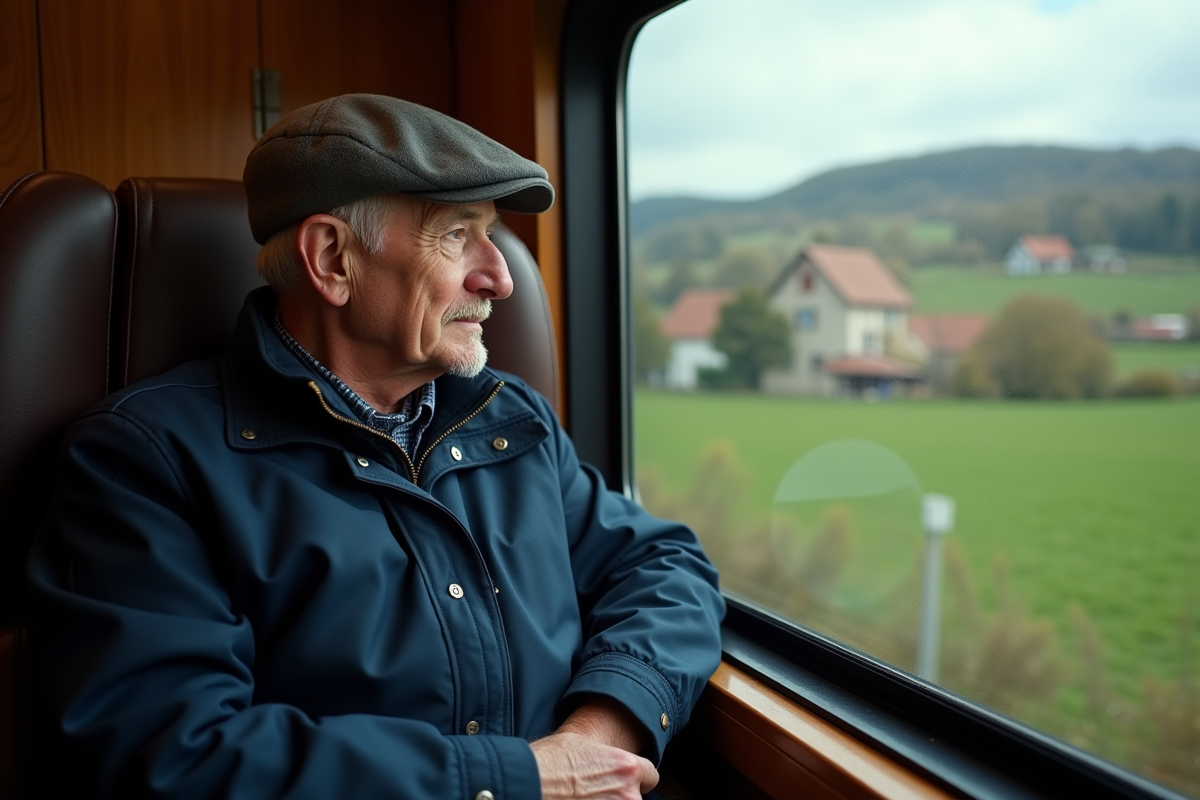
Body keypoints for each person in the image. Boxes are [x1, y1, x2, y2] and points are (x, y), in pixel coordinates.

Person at [26, 94, 724, 800]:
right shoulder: (144, 461)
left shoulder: (513, 421)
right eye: (457, 235)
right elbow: (180, 755)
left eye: (492, 236)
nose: (501, 277)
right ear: (332, 259)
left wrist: (595, 737)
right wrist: (516, 781)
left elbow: (665, 566)